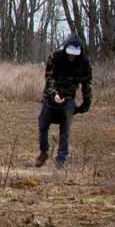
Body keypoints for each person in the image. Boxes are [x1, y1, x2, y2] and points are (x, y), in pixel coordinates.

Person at [35, 34, 93, 170]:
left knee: (65, 130)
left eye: (75, 54)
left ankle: (61, 159)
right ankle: (43, 153)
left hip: (68, 99)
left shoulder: (84, 63)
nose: (72, 57)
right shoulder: (55, 57)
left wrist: (86, 103)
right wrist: (54, 94)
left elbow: (86, 84)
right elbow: (49, 78)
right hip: (50, 97)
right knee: (43, 126)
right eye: (70, 53)